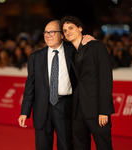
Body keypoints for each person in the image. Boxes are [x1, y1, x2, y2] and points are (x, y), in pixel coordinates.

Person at [18, 20, 93, 150]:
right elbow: (30, 86)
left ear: (62, 35)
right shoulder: (35, 57)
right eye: (46, 32)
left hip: (65, 106)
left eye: (52, 32)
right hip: (42, 108)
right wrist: (24, 112)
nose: (48, 35)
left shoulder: (74, 52)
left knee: (65, 145)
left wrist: (90, 43)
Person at [60, 15, 115, 150]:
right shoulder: (70, 52)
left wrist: (104, 111)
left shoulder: (96, 46)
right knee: (80, 145)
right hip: (78, 109)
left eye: (71, 28)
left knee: (103, 145)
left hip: (96, 109)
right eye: (65, 30)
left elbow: (106, 79)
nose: (68, 32)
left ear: (80, 28)